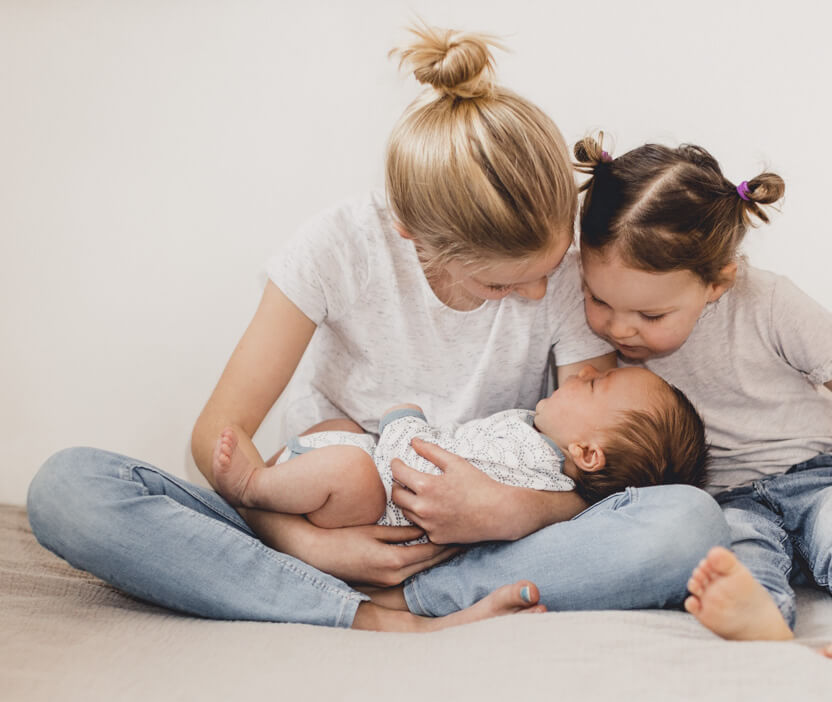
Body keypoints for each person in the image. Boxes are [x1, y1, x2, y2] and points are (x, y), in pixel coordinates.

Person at [25, 27, 730, 632]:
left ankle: (411, 595)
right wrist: (305, 544)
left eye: (547, 268)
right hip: (315, 515)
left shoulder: (561, 272)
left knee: (686, 522)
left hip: (474, 545)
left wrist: (514, 511)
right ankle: (358, 610)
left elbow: (590, 466)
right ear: (413, 235)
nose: (541, 292)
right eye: (501, 283)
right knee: (70, 489)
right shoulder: (335, 249)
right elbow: (219, 440)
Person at [572, 137, 832, 659]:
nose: (618, 328)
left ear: (717, 282)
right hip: (721, 495)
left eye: (651, 316)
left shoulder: (768, 302)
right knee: (732, 553)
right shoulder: (600, 323)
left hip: (816, 474)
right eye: (598, 299)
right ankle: (764, 614)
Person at [212, 365, 709, 525]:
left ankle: (254, 488)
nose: (581, 375)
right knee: (335, 428)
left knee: (346, 468)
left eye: (595, 386)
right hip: (378, 469)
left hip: (382, 504)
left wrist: (403, 421)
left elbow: (427, 469)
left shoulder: (532, 466)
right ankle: (275, 488)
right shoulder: (534, 439)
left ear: (587, 454)